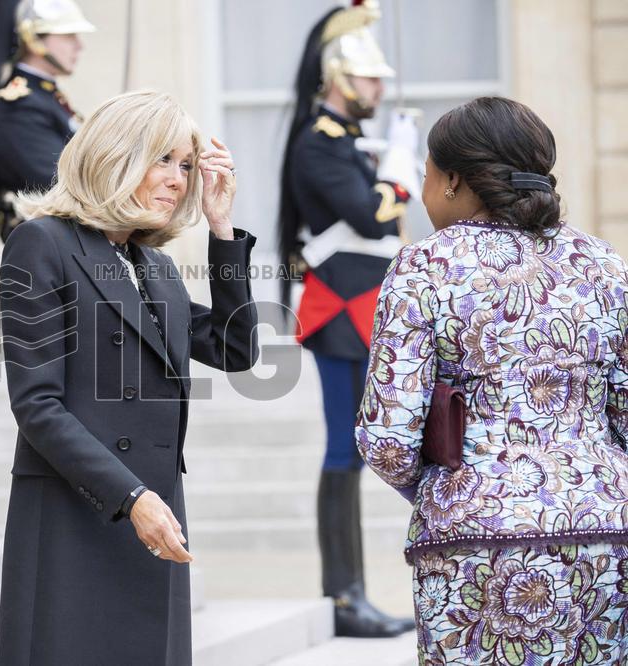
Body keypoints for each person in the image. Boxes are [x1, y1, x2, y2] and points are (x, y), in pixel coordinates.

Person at [356, 96, 628, 663]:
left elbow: (387, 438)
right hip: (608, 531)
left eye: (426, 175)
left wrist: (441, 484)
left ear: (452, 180)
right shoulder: (604, 264)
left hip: (474, 536)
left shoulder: (424, 264)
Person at [0, 91, 258, 665]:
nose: (178, 180)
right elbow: (37, 405)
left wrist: (222, 230)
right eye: (163, 160)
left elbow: (236, 349)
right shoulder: (41, 242)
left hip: (155, 511)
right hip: (78, 511)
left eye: (186, 166)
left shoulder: (154, 266)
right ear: (116, 155)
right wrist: (132, 497)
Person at [277, 0, 418, 637]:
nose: (378, 88)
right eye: (368, 78)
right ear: (338, 77)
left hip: (364, 309)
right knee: (343, 451)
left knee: (358, 453)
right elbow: (368, 217)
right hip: (339, 314)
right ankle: (343, 596)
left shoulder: (347, 143)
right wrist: (398, 177)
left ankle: (354, 593)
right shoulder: (320, 142)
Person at [0, 0, 94, 297]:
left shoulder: (46, 97)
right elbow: (58, 185)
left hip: (71, 253)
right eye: (68, 35)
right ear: (34, 40)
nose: (79, 45)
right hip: (48, 260)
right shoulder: (19, 107)